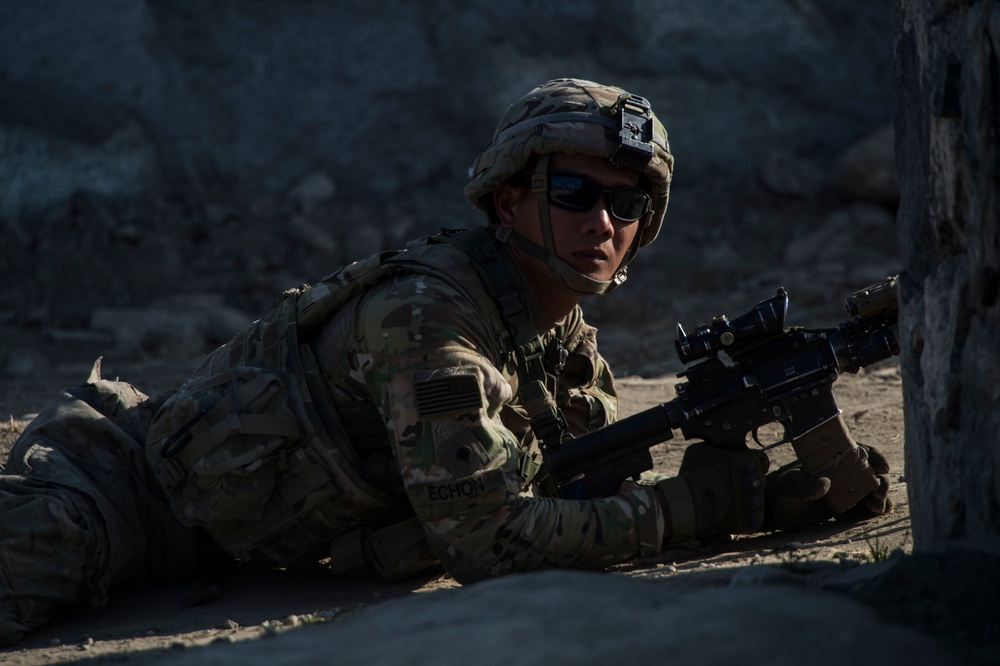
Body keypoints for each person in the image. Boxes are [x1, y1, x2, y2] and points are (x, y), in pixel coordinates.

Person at [0, 78, 891, 644]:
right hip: (117, 495)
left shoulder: (555, 333)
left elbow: (565, 494)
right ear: (509, 204)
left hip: (222, 543)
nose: (602, 224)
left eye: (626, 204)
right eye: (574, 193)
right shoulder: (431, 320)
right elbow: (493, 540)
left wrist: (745, 490)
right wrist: (689, 514)